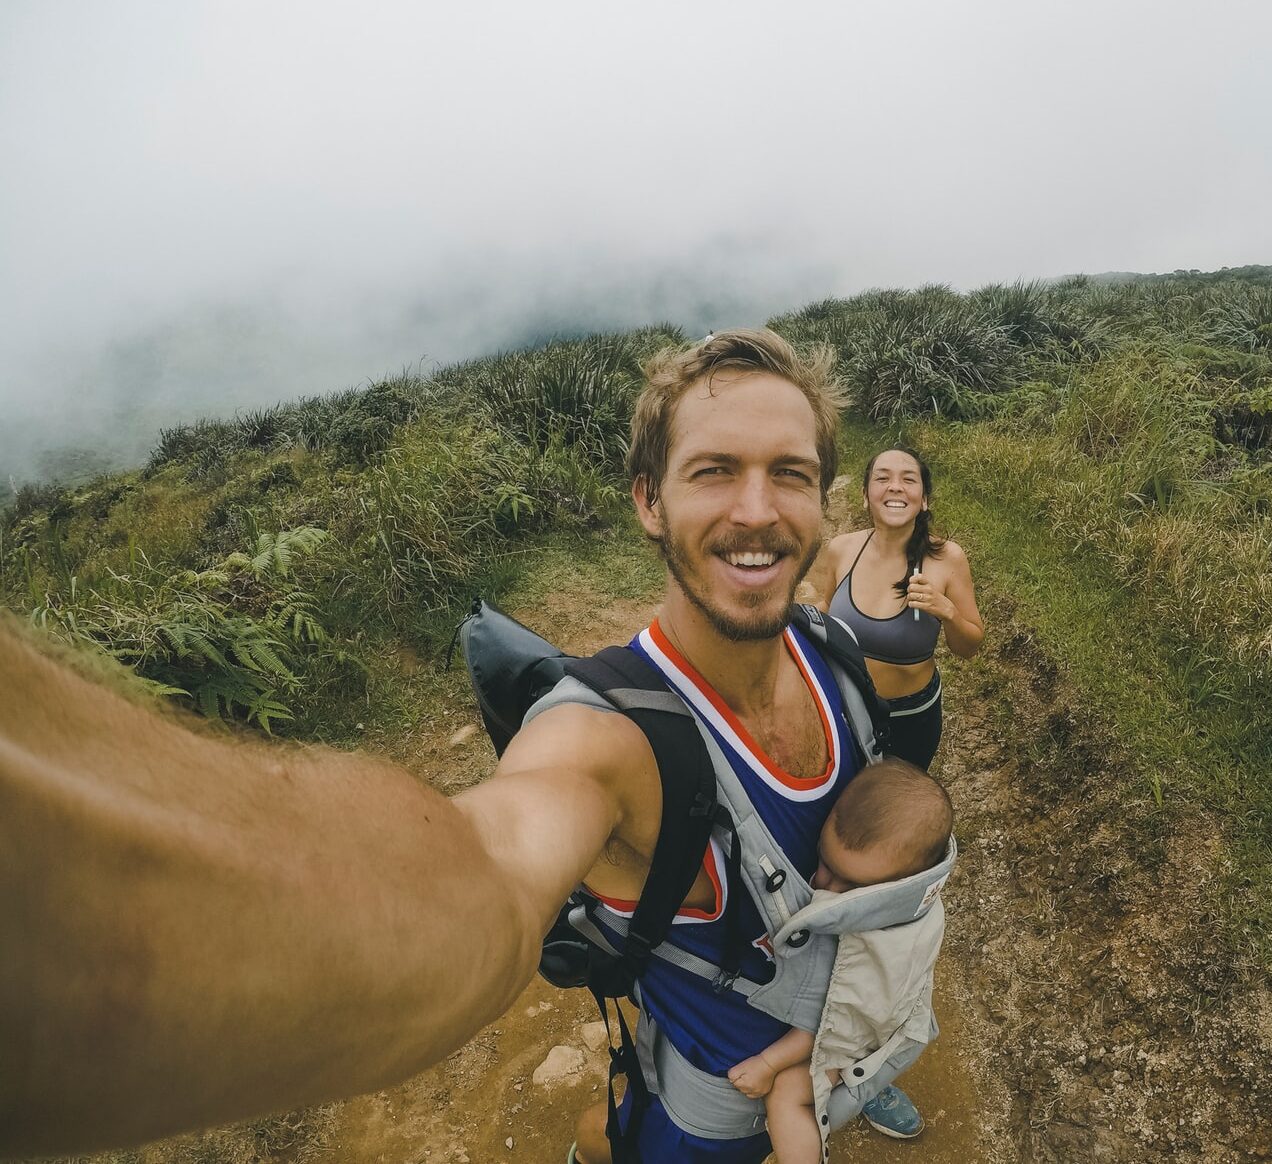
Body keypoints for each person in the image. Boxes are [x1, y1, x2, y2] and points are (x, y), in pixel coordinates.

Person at [0, 330, 914, 1163]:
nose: (758, 510)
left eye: (789, 473)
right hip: (711, 1135)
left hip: (832, 1058)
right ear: (647, 500)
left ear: (823, 495)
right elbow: (491, 861)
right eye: (714, 469)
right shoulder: (609, 739)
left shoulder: (831, 649)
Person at [726, 757, 952, 1164]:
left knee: (788, 1096)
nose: (824, 885)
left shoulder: (863, 952)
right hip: (898, 1012)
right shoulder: (919, 899)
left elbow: (825, 1026)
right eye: (825, 862)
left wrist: (767, 1062)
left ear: (894, 890)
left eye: (850, 887)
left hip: (869, 1033)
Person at [809, 447, 984, 772]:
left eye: (908, 479)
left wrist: (947, 611)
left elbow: (970, 647)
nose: (895, 486)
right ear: (865, 495)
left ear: (924, 499)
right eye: (883, 478)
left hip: (911, 718)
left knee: (893, 812)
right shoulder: (841, 549)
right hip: (844, 706)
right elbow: (827, 608)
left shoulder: (947, 558)